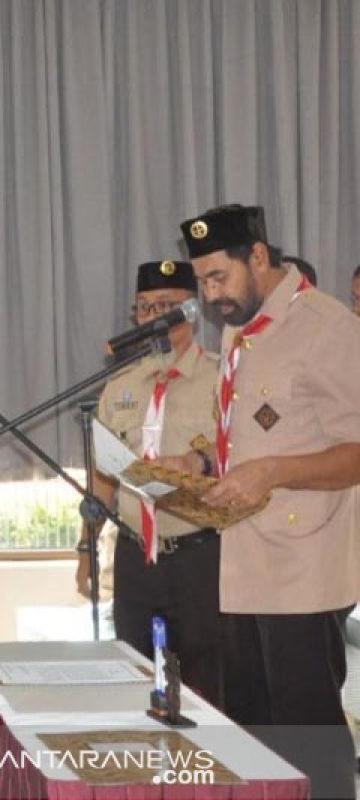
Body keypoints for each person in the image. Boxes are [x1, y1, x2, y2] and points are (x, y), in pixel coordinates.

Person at [173, 204, 360, 798]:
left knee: (309, 736)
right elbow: (248, 434)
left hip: (302, 568)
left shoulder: (328, 327)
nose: (209, 296)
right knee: (252, 729)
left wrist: (274, 472)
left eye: (218, 278)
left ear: (259, 257)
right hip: (242, 559)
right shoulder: (241, 329)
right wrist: (201, 463)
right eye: (201, 282)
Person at [76, 260, 223, 708]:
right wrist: (86, 549)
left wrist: (201, 460)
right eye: (145, 308)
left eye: (167, 306)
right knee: (137, 678)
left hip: (199, 556)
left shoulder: (221, 378)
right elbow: (103, 477)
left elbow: (243, 456)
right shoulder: (119, 386)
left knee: (206, 685)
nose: (154, 316)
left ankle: (205, 775)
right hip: (135, 556)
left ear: (193, 312)